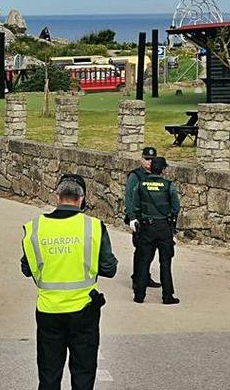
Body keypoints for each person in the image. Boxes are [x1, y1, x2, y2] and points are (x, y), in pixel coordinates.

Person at [21, 174, 117, 390]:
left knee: (49, 375)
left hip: (48, 311)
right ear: (82, 198)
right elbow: (110, 268)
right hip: (84, 311)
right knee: (83, 374)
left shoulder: (34, 228)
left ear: (57, 196)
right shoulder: (93, 227)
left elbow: (26, 268)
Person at [128, 157, 181, 305]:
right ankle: (167, 296)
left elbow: (135, 206)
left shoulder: (141, 184)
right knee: (165, 263)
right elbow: (176, 208)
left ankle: (139, 294)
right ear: (163, 170)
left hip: (147, 227)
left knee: (144, 261)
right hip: (164, 227)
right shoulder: (169, 186)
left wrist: (137, 219)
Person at [124, 147, 162, 290]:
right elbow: (129, 197)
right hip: (139, 218)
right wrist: (132, 217)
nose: (149, 162)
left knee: (151, 249)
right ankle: (137, 278)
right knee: (140, 250)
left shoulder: (157, 175)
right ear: (141, 159)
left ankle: (145, 276)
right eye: (146, 159)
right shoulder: (135, 176)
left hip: (153, 218)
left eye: (152, 159)